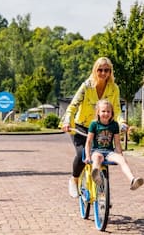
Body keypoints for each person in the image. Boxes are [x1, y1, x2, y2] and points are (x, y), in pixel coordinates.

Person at [60, 56, 123, 198]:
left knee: (103, 155)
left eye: (106, 70)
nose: (103, 73)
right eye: (100, 70)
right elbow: (73, 106)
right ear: (95, 70)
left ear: (110, 72)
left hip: (102, 128)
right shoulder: (86, 86)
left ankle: (102, 193)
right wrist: (67, 121)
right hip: (82, 126)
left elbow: (117, 110)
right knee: (81, 153)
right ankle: (74, 180)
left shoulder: (114, 88)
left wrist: (122, 122)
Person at [85, 99, 144, 190]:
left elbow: (117, 142)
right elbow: (88, 142)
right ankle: (96, 175)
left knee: (122, 160)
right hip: (96, 151)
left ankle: (132, 180)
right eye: (103, 111)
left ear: (112, 113)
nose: (106, 113)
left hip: (109, 152)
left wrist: (120, 154)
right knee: (97, 158)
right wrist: (88, 156)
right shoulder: (94, 124)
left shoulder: (114, 125)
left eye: (108, 111)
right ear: (98, 112)